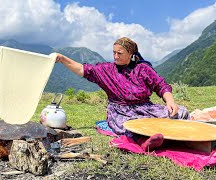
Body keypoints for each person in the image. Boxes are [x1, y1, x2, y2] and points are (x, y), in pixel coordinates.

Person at [55, 37, 189, 151]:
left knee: (181, 112)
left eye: (119, 53)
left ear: (130, 53)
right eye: (114, 53)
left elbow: (161, 85)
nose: (115, 56)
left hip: (145, 107)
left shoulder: (142, 69)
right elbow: (82, 69)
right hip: (121, 111)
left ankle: (165, 135)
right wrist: (62, 58)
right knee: (131, 126)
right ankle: (145, 142)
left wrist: (170, 101)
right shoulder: (106, 70)